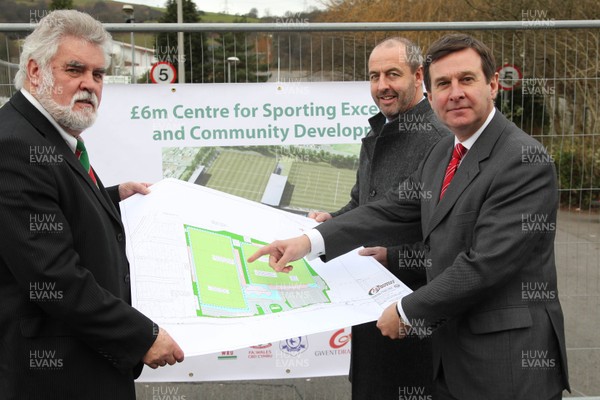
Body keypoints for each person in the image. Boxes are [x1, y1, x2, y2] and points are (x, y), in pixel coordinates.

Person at [249, 33, 570, 399]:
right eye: (444, 84)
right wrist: (309, 241)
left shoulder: (523, 160)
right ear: (430, 95)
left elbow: (485, 265)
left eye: (466, 79)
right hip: (450, 360)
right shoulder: (444, 153)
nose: (455, 93)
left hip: (508, 368)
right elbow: (390, 210)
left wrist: (404, 311)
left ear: (493, 84)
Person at [0, 10, 183, 400]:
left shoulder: (50, 134)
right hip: (55, 374)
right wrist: (140, 335)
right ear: (35, 72)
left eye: (98, 75)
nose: (89, 85)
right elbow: (51, 275)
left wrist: (112, 196)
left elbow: (56, 207)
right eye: (75, 70)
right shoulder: (14, 145)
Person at [308, 37, 449, 399]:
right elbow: (361, 204)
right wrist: (332, 220)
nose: (382, 85)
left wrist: (393, 256)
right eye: (374, 76)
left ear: (419, 77)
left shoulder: (439, 141)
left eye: (392, 74)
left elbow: (450, 236)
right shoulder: (377, 131)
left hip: (413, 313)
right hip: (369, 307)